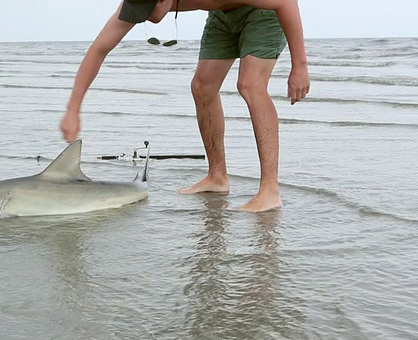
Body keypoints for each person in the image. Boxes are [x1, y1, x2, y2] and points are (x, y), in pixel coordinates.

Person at [59, 0, 310, 212]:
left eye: (146, 10)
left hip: (265, 11)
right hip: (222, 14)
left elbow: (284, 1)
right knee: (202, 86)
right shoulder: (137, 2)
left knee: (250, 84)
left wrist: (299, 66)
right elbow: (98, 49)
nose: (142, 18)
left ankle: (270, 190)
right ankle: (217, 176)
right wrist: (73, 109)